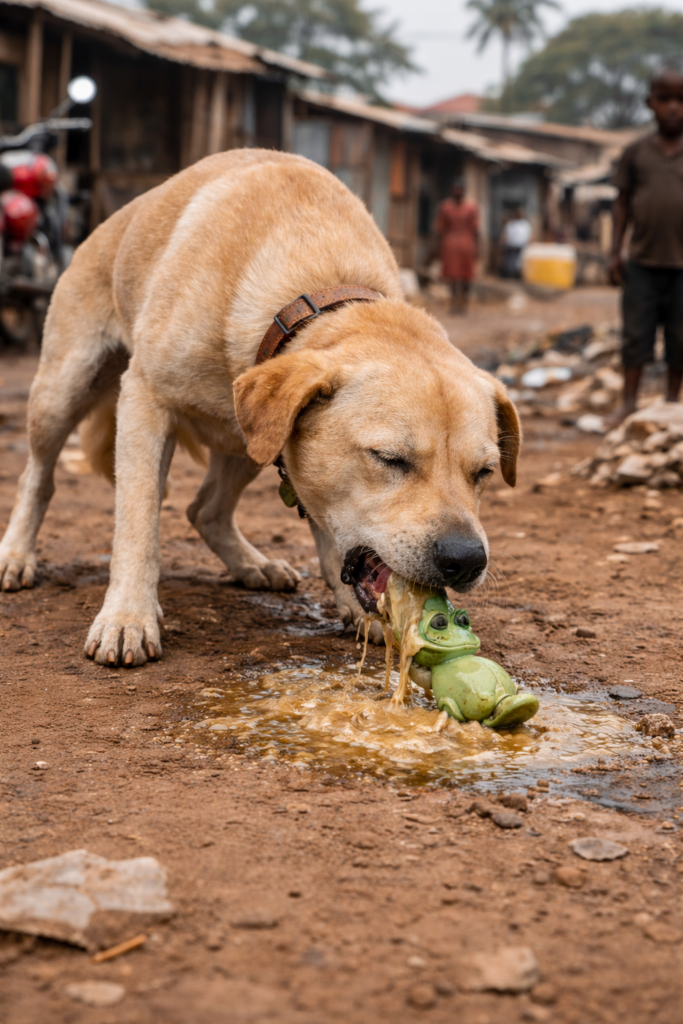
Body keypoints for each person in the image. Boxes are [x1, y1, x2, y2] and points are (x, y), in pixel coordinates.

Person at [609, 66, 683, 423]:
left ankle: (671, 402)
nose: (673, 107)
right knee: (636, 335)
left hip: (682, 265)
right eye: (665, 99)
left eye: (680, 100)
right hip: (641, 262)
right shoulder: (636, 152)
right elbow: (621, 202)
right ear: (650, 103)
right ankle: (629, 403)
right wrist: (614, 252)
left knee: (680, 337)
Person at [434, 177, 480, 314]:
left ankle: (464, 302)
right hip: (450, 244)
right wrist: (437, 248)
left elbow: (476, 230)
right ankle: (454, 303)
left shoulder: (472, 208)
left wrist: (478, 248)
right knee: (452, 276)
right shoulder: (445, 207)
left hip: (467, 243)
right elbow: (440, 228)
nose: (457, 191)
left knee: (467, 275)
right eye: (455, 189)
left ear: (464, 190)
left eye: (459, 189)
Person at [500, 207, 532, 278]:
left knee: (520, 261)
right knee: (510, 260)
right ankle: (510, 274)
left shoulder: (525, 225)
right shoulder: (511, 224)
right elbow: (506, 235)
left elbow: (529, 236)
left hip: (521, 246)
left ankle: (517, 274)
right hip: (511, 246)